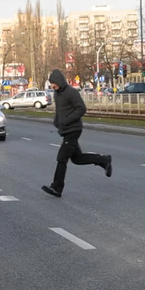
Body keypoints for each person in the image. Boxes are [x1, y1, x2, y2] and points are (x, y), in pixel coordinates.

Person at [42, 69, 112, 198]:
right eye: (51, 83)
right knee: (77, 159)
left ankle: (57, 188)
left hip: (73, 130)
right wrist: (57, 122)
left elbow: (81, 108)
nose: (52, 85)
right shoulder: (57, 94)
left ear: (59, 81)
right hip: (65, 130)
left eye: (53, 83)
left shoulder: (71, 92)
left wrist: (67, 120)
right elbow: (60, 111)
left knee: (61, 159)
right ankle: (104, 160)